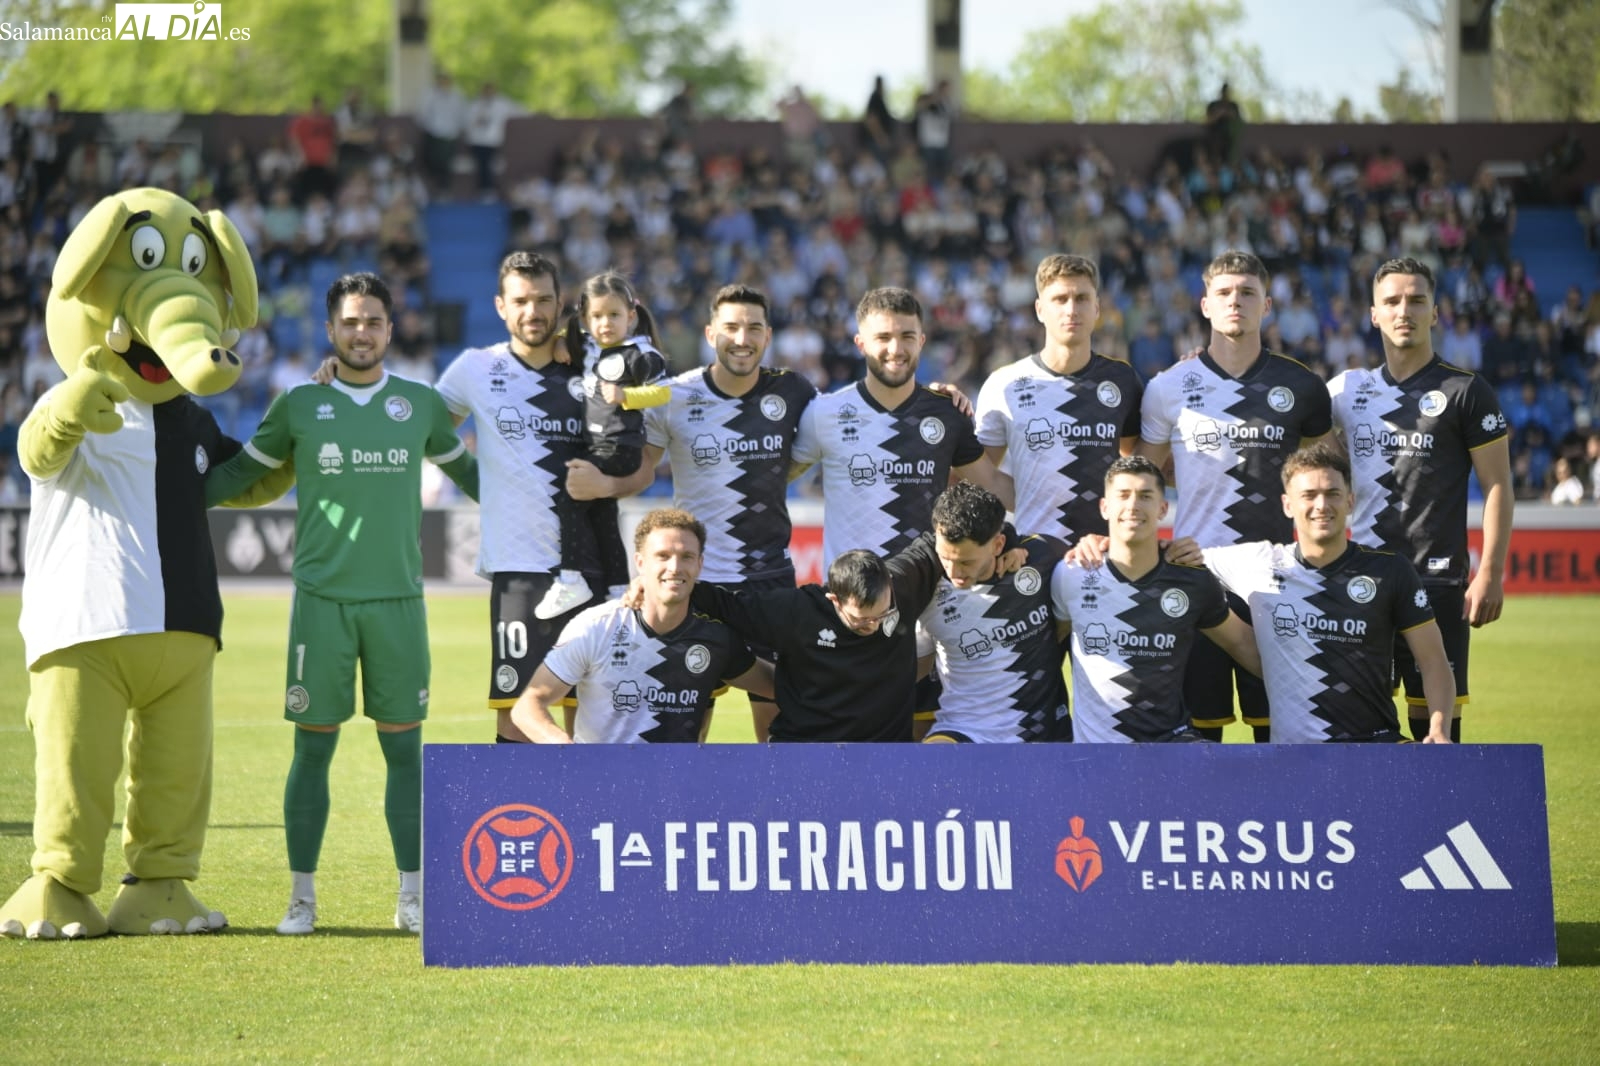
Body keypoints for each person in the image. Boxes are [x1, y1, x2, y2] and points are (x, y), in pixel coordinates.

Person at [204, 273, 479, 936]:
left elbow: (475, 478)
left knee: (405, 756)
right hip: (322, 603)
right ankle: (302, 898)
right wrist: (169, 494)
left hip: (399, 605)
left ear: (391, 328)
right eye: (351, 322)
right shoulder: (300, 403)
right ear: (331, 330)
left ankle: (411, 897)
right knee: (312, 752)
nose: (362, 332)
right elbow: (244, 473)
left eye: (374, 321)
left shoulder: (418, 404)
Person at [568, 285, 816, 742]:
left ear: (768, 336)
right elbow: (644, 470)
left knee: (777, 718)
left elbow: (828, 433)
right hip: (696, 587)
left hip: (769, 584)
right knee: (685, 727)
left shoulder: (796, 391)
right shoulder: (672, 394)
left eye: (753, 328)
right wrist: (604, 485)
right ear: (710, 333)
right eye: (731, 328)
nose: (742, 338)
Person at [1137, 250, 1332, 742]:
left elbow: (1312, 474)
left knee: (1280, 736)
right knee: (1201, 739)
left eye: (1248, 292)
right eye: (1224, 293)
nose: (1235, 302)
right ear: (1205, 305)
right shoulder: (1169, 387)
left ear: (1267, 304)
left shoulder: (1302, 387)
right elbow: (1142, 475)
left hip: (1276, 579)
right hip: (1197, 576)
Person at [1327, 257, 1513, 742]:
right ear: (1373, 314)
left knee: (1436, 731)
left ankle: (1440, 820)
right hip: (1362, 581)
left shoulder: (1467, 392)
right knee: (1359, 729)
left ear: (1435, 312)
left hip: (1438, 581)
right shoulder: (1348, 392)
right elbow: (1286, 433)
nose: (1403, 310)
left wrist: (1490, 570)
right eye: (1391, 301)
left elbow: (1498, 485)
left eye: (1416, 300)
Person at [431, 252, 611, 743]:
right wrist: (474, 481)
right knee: (515, 717)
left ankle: (585, 817)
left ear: (561, 304)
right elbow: (422, 428)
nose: (533, 311)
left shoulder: (595, 363)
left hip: (592, 565)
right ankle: (520, 816)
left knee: (591, 714)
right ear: (500, 307)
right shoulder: (475, 368)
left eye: (544, 300)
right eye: (521, 301)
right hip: (520, 571)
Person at [1197, 445, 1455, 743]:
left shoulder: (1391, 571)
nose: (1321, 505)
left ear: (1350, 501)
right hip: (1297, 760)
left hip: (1377, 747)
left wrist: (1439, 729)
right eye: (1308, 495)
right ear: (1287, 505)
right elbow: (1175, 565)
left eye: (1332, 493)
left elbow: (1434, 660)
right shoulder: (1259, 563)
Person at [508, 509, 773, 744]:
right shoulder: (596, 627)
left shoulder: (715, 638)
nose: (675, 567)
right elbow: (528, 706)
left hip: (674, 790)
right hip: (603, 785)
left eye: (687, 557)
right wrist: (564, 748)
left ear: (699, 565)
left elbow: (777, 686)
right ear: (640, 562)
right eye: (663, 556)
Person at [1053, 457, 1260, 743]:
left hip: (1170, 746)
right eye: (1123, 495)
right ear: (1105, 507)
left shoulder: (1192, 581)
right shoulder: (1070, 575)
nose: (1133, 506)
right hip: (1096, 753)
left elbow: (1242, 644)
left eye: (1145, 496)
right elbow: (1045, 646)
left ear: (1163, 508)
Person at [975, 254, 1143, 547]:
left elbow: (1136, 461)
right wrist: (1030, 497)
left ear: (1097, 308)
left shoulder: (1122, 379)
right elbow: (982, 477)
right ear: (1040, 309)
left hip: (1106, 556)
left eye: (1081, 298)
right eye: (1060, 299)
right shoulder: (1004, 384)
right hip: (1034, 555)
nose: (1071, 309)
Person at [536, 270, 671, 621]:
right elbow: (569, 332)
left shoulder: (640, 353)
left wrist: (628, 396)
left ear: (631, 316)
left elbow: (664, 391)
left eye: (613, 315)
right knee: (603, 516)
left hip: (619, 446)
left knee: (569, 498)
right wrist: (562, 341)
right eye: (596, 316)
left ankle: (570, 578)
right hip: (602, 443)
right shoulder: (593, 345)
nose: (605, 323)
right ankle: (616, 587)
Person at [914, 482, 1071, 743]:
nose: (954, 572)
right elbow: (913, 671)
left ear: (998, 545)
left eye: (966, 561)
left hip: (1044, 736)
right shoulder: (927, 590)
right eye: (945, 558)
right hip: (964, 732)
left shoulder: (1040, 560)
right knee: (930, 768)